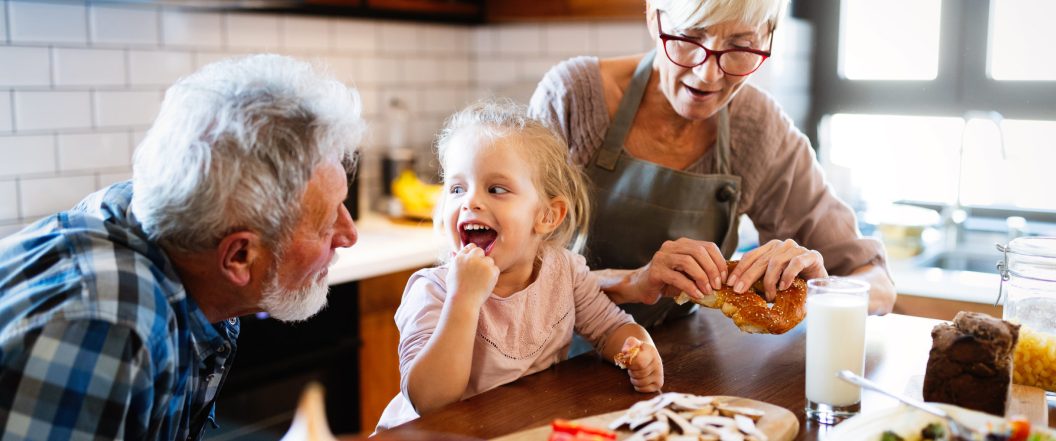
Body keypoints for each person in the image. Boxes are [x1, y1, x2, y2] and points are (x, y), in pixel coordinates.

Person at [0, 54, 363, 440]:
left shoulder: (161, 233)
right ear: (239, 257)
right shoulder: (108, 326)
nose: (348, 233)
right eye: (326, 223)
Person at [529, 0, 896, 328]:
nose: (708, 75)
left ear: (768, 36)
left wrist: (822, 290)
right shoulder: (573, 98)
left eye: (740, 46)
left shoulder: (756, 127)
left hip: (682, 363)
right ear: (655, 19)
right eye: (690, 38)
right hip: (557, 360)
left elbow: (876, 281)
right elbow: (509, 276)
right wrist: (633, 282)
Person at [375, 101, 664, 430]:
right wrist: (464, 299)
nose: (469, 201)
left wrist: (639, 349)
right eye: (457, 188)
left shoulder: (564, 273)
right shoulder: (435, 291)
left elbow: (611, 328)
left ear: (546, 216)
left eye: (496, 189)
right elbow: (429, 401)